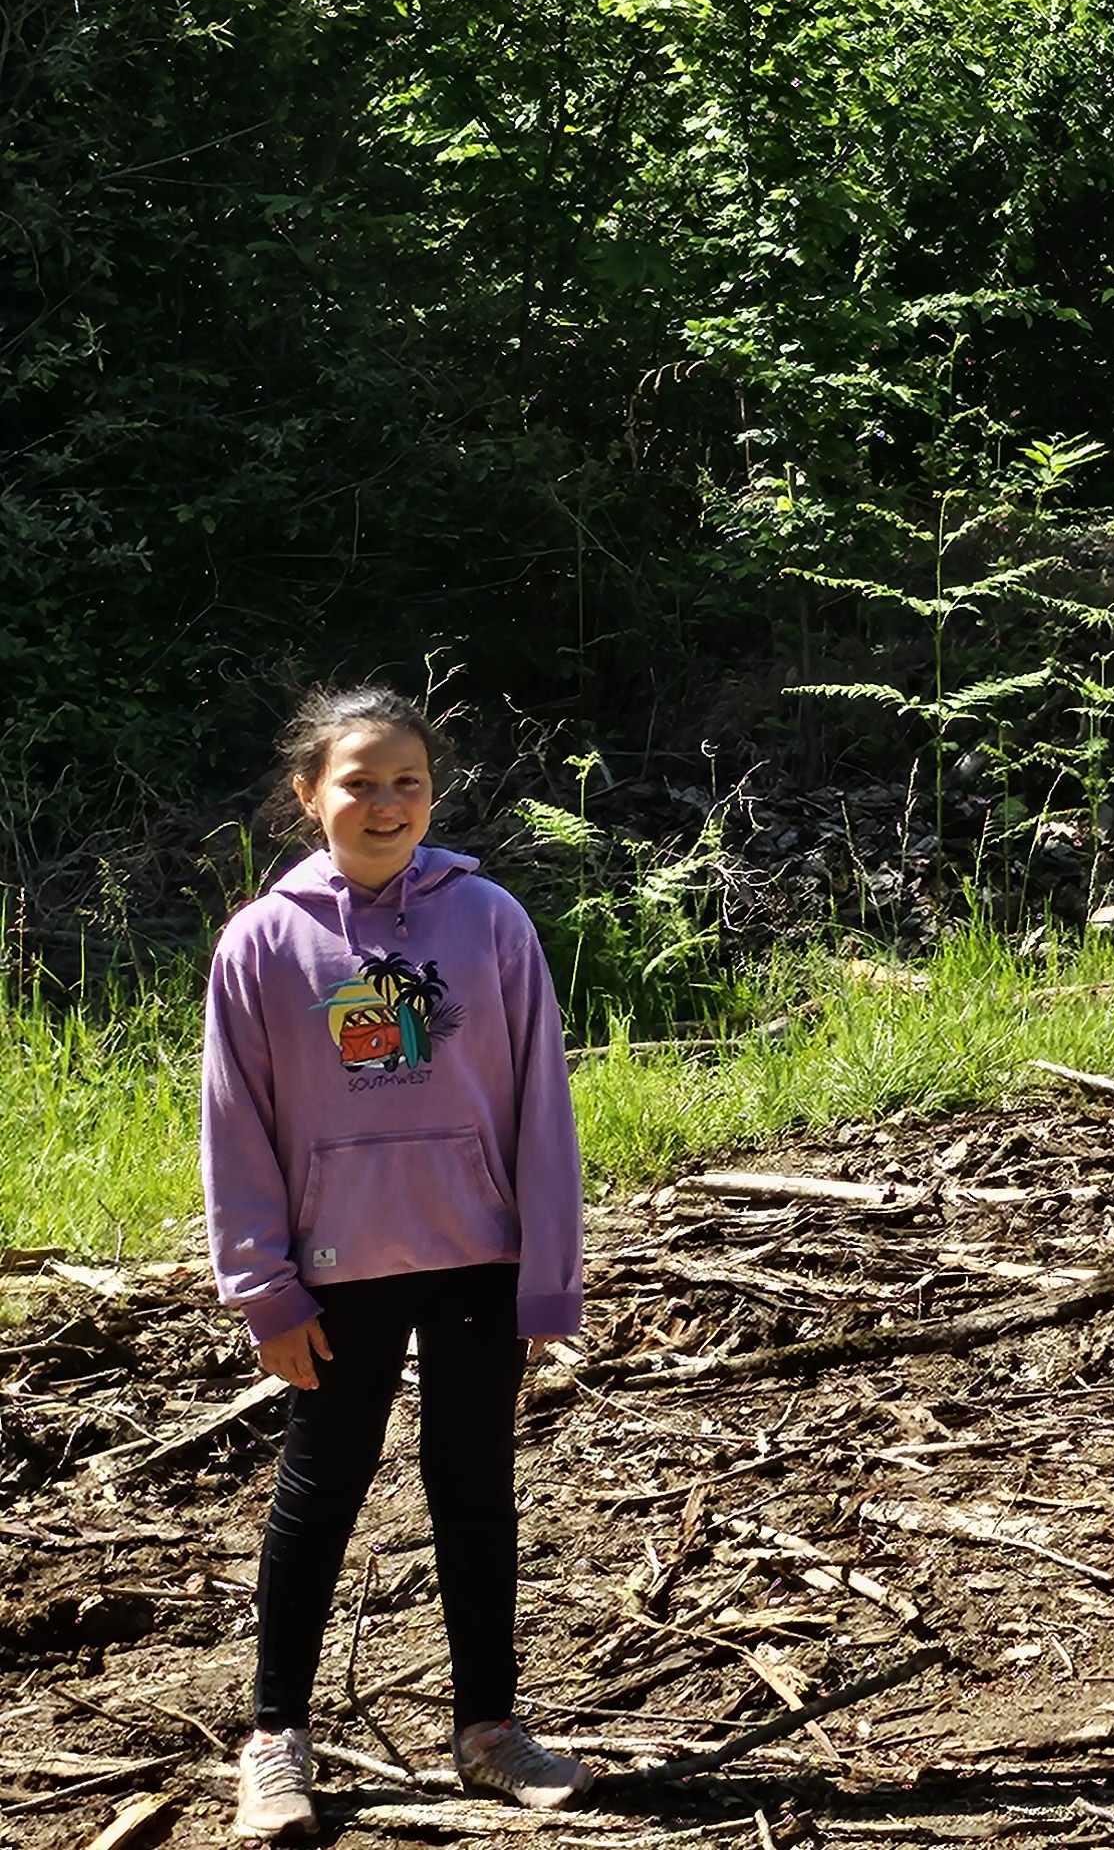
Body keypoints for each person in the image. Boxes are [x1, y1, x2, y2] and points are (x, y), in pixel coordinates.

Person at [201, 687, 594, 1843]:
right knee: (318, 1494)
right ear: (308, 794)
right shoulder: (262, 942)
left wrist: (547, 1273)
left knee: (474, 1484)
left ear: (435, 793)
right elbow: (236, 1124)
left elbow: (542, 1105)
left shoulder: (489, 922)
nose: (385, 803)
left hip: (478, 1255)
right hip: (336, 1271)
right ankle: (276, 1739)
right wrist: (263, 1286)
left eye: (407, 781)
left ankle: (488, 1730)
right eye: (360, 782)